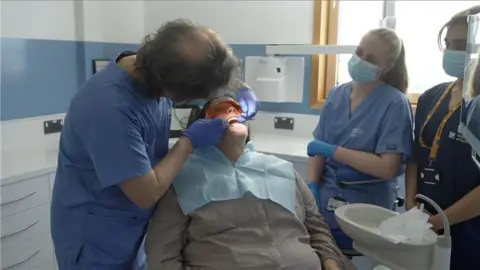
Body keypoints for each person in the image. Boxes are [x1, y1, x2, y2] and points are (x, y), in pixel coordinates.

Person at [50, 19, 259, 270]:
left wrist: (232, 88)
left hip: (135, 231)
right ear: (170, 86)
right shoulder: (109, 107)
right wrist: (189, 142)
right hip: (97, 241)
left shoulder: (150, 68)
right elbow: (145, 193)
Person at [145, 96, 355, 270]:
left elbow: (317, 230)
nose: (231, 113)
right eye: (220, 110)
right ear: (202, 127)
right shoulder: (182, 180)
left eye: (236, 109)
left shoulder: (282, 170)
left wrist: (331, 264)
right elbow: (162, 254)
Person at [306, 27, 413, 252]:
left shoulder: (394, 103)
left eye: (371, 58)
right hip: (325, 200)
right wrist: (312, 186)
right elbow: (318, 151)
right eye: (359, 52)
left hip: (366, 209)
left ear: (387, 66)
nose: (360, 59)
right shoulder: (336, 95)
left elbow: (388, 168)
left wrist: (334, 151)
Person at [405, 6, 480, 270]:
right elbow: (415, 157)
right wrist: (411, 206)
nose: (450, 52)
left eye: (461, 44)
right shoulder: (430, 98)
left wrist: (438, 221)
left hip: (469, 232)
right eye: (448, 44)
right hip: (423, 222)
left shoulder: (477, 107)